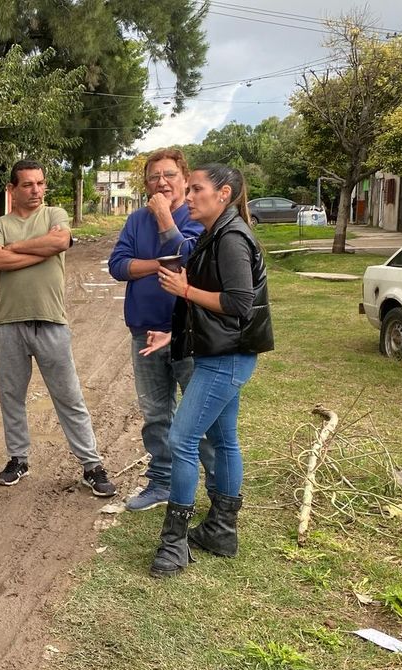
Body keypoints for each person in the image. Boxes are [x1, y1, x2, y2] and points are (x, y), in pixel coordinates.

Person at [139, 164, 274, 578]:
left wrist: (184, 289)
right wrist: (171, 334)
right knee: (224, 438)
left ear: (223, 193)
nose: (189, 196)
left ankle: (174, 542)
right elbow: (207, 304)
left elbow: (238, 304)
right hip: (222, 352)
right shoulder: (214, 234)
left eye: (197, 189)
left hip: (228, 357)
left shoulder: (231, 238)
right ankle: (220, 530)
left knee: (182, 439)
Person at [0, 160, 117, 497]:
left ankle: (92, 465)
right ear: (12, 189)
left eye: (40, 183)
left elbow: (60, 242)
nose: (36, 190)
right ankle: (18, 459)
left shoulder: (55, 214)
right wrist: (39, 251)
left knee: (69, 396)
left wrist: (15, 247)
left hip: (51, 321)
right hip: (9, 323)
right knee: (12, 397)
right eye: (28, 184)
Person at [108, 148, 217, 512]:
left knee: (201, 417)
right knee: (155, 415)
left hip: (190, 332)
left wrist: (163, 218)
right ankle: (161, 482)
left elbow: (190, 257)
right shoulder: (136, 220)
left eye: (170, 175)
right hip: (144, 330)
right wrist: (161, 264)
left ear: (185, 180)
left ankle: (218, 490)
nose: (162, 182)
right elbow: (118, 265)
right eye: (154, 177)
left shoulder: (198, 216)